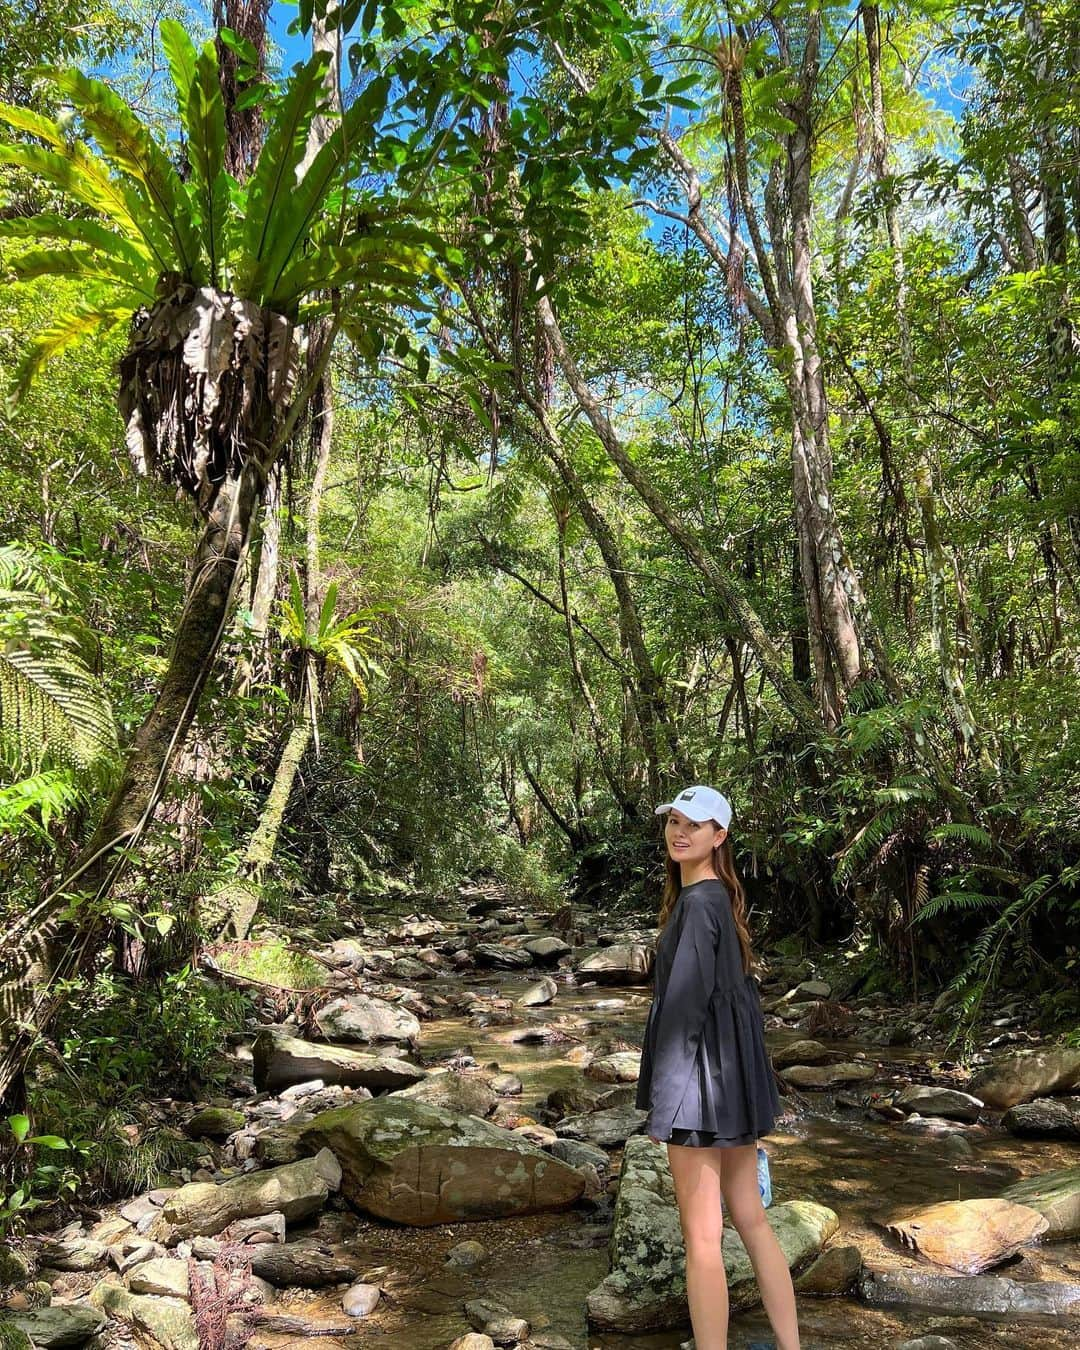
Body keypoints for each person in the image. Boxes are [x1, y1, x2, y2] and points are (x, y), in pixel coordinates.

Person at [634, 784, 800, 1350]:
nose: (680, 832)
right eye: (674, 821)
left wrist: (664, 1104)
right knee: (750, 1219)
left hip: (699, 1091)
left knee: (702, 1238)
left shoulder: (699, 905)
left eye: (695, 825)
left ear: (719, 836)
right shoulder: (717, 901)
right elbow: (738, 1006)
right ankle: (790, 1344)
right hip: (731, 1086)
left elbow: (684, 1011)